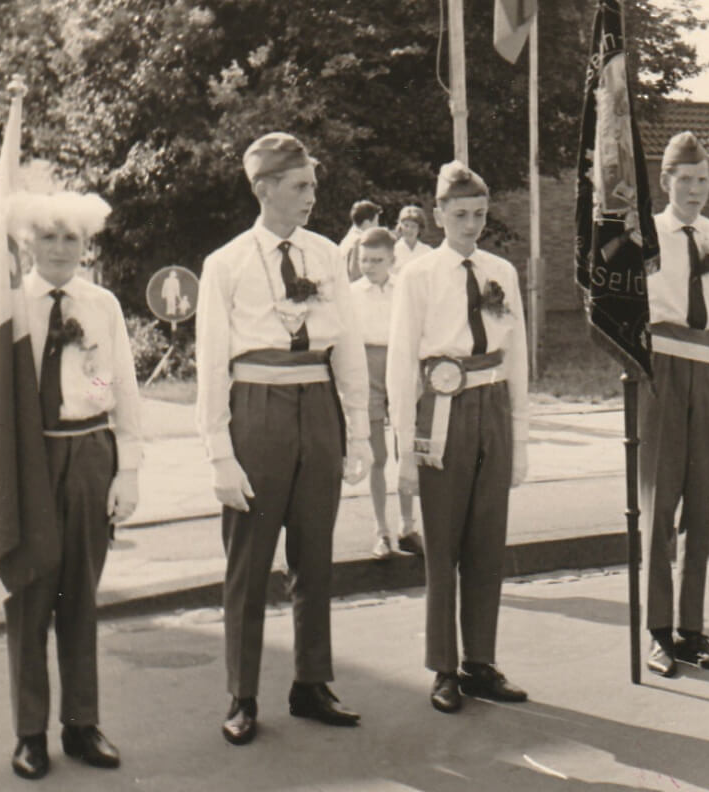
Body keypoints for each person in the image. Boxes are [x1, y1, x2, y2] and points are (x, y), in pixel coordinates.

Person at [196, 132, 372, 746]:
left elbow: (347, 348)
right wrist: (220, 453)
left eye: (314, 185)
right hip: (257, 409)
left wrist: (359, 436)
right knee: (249, 562)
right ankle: (242, 695)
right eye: (300, 186)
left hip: (317, 407)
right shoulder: (227, 263)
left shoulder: (326, 255)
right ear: (263, 188)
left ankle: (312, 682)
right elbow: (212, 364)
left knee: (315, 557)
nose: (312, 197)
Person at [386, 161, 531, 713]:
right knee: (443, 543)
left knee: (487, 542)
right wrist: (403, 448)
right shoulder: (418, 276)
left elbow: (515, 355)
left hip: (491, 404)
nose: (471, 225)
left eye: (479, 215)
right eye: (460, 214)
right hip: (441, 410)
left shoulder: (502, 272)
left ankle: (480, 662)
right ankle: (443, 667)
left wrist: (520, 436)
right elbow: (401, 363)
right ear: (439, 214)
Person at [6, 192, 140, 780]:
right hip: (28, 460)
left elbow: (122, 388)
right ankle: (30, 732)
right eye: (49, 237)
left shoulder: (101, 305)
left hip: (88, 452)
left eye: (72, 239)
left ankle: (81, 724)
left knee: (80, 596)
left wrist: (127, 469)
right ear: (27, 242)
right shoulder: (4, 309)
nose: (60, 249)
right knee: (30, 600)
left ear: (86, 245)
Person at [640, 131, 709, 677]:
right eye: (686, 180)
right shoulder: (646, 234)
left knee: (700, 508)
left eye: (704, 180)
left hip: (706, 371)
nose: (696, 190)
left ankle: (692, 630)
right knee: (659, 509)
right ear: (666, 181)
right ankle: (658, 632)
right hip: (661, 371)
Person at [349, 227, 423, 561]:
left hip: (401, 364)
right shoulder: (350, 294)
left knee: (405, 449)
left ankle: (408, 526)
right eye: (364, 260)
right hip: (367, 369)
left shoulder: (404, 290)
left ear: (392, 260)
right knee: (376, 456)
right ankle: (381, 531)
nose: (369, 266)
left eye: (377, 260)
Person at [338, 199, 382, 281]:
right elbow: (356, 276)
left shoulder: (348, 239)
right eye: (376, 222)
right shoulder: (359, 241)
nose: (378, 226)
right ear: (367, 223)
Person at [394, 205, 432, 274]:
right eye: (406, 225)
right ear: (400, 226)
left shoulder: (427, 251)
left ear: (419, 229)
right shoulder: (393, 250)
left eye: (413, 226)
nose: (409, 229)